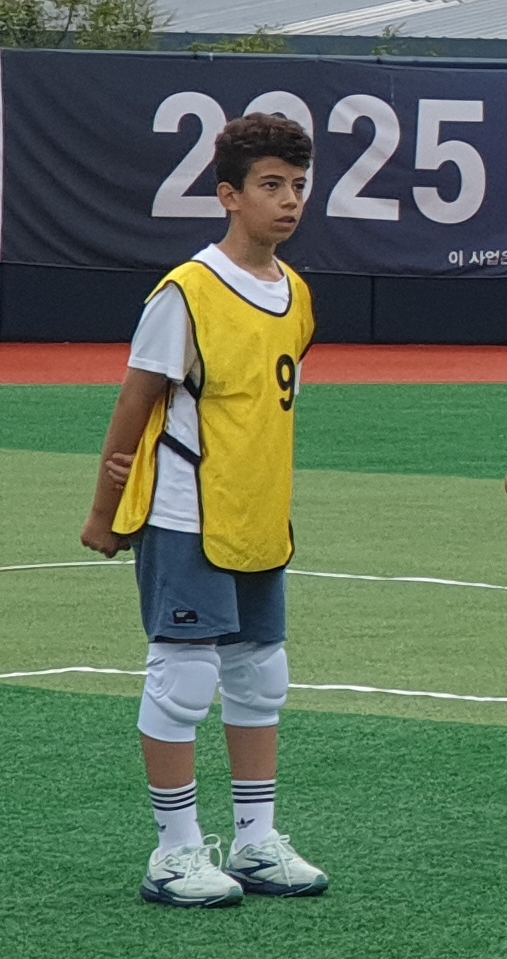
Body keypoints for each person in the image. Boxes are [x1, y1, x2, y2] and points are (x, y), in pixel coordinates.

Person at [79, 110, 329, 909]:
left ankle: (256, 840)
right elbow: (135, 403)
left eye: (298, 185)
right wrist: (106, 512)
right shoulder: (186, 292)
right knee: (183, 680)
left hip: (260, 512)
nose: (288, 200)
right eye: (271, 185)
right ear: (229, 195)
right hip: (185, 510)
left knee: (260, 676)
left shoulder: (296, 293)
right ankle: (175, 852)